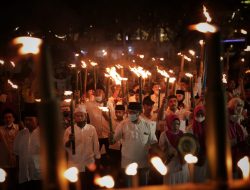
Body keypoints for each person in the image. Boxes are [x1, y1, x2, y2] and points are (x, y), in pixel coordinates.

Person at [112, 102, 158, 187]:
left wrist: (155, 156)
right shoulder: (123, 124)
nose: (131, 114)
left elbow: (153, 142)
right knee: (128, 187)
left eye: (133, 112)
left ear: (140, 113)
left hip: (143, 162)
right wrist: (110, 137)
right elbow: (113, 141)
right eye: (129, 112)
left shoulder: (147, 124)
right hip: (128, 162)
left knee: (143, 187)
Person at [64, 105, 100, 190]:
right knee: (77, 186)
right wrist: (69, 140)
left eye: (81, 115)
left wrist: (97, 158)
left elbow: (96, 144)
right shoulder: (69, 130)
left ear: (85, 116)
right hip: (75, 162)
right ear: (74, 117)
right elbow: (65, 146)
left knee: (89, 184)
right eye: (77, 116)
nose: (79, 118)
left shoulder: (91, 129)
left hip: (89, 162)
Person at [13, 105, 42, 190]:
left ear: (37, 120)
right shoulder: (20, 134)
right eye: (26, 120)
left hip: (39, 174)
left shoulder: (43, 134)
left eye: (30, 120)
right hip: (24, 173)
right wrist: (17, 171)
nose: (27, 122)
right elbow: (17, 154)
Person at [159, 114, 189, 184]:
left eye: (177, 124)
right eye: (173, 123)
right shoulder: (164, 135)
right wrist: (168, 151)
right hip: (171, 166)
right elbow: (161, 150)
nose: (176, 126)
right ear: (169, 123)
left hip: (182, 164)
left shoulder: (183, 134)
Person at [227, 97, 249, 179]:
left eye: (241, 106)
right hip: (230, 155)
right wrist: (236, 141)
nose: (240, 109)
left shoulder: (236, 122)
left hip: (238, 154)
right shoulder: (227, 121)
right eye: (237, 106)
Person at [188, 105, 208, 183]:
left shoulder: (209, 127)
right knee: (195, 178)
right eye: (198, 114)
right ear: (194, 115)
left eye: (202, 114)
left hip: (206, 156)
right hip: (194, 157)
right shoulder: (190, 128)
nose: (200, 116)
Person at [0, 108, 19, 190]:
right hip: (3, 160)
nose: (8, 119)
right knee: (4, 183)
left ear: (13, 118)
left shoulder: (19, 128)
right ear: (3, 119)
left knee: (16, 182)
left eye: (10, 117)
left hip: (16, 160)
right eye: (6, 117)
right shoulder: (0, 130)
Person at [108, 104, 126, 187]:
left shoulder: (126, 122)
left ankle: (123, 180)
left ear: (124, 112)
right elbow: (110, 135)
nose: (118, 113)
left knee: (122, 164)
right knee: (114, 165)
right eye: (116, 112)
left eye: (120, 112)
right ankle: (114, 182)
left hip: (124, 147)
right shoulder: (112, 121)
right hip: (114, 147)